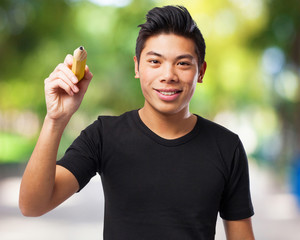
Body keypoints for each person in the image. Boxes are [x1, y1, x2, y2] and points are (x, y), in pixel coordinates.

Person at [19, 5, 255, 240]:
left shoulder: (226, 147)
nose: (168, 75)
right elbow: (32, 205)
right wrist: (55, 119)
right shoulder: (103, 135)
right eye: (155, 61)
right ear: (137, 66)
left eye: (183, 63)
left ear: (200, 72)